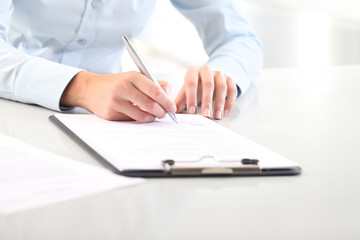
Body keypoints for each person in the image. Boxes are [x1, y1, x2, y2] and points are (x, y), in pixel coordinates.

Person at [0, 0, 263, 122]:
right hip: (15, 107)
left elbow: (240, 39)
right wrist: (82, 87)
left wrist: (220, 76)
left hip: (116, 122)